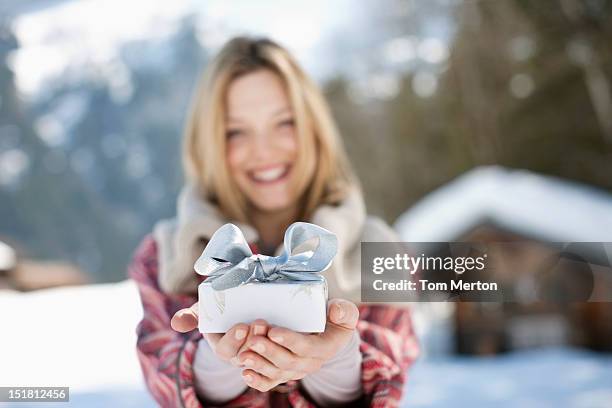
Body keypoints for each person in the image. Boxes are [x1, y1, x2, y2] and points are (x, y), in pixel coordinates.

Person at [129, 36, 419, 407]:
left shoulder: (379, 248)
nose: (264, 151)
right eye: (236, 132)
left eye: (284, 123)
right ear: (208, 144)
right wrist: (217, 357)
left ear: (315, 129)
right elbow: (164, 379)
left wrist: (336, 359)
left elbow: (391, 378)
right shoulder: (165, 257)